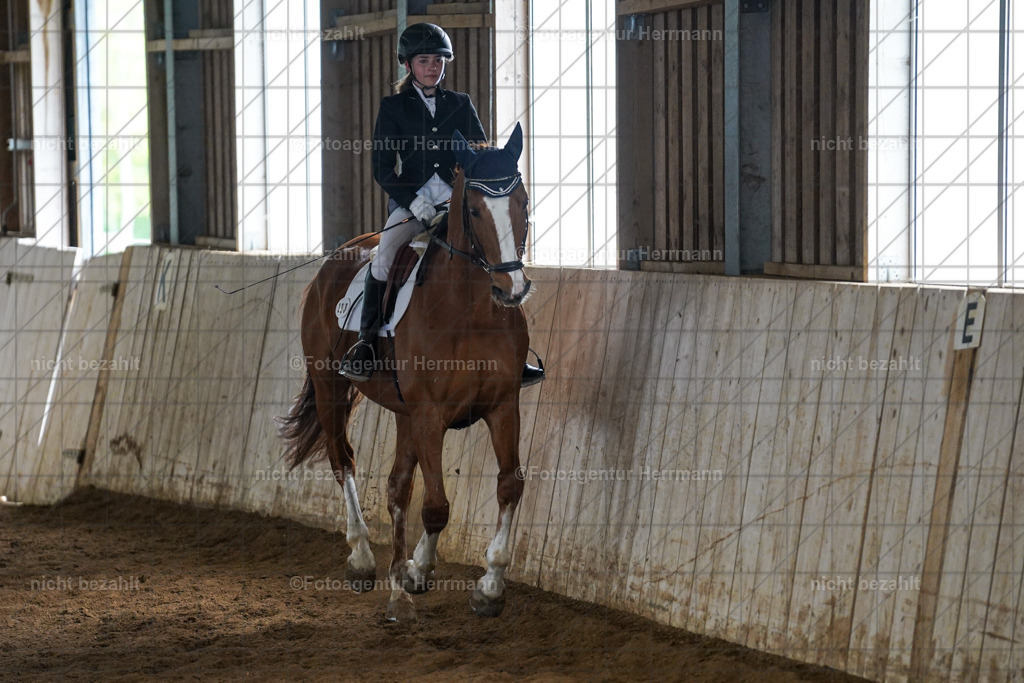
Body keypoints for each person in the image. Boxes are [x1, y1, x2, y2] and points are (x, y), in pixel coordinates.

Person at [341, 23, 545, 388]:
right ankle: (366, 344)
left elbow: (479, 155)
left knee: (492, 255)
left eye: (438, 61)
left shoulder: (460, 103)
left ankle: (512, 352)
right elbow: (382, 169)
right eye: (424, 61)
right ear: (408, 65)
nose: (432, 67)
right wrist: (413, 202)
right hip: (413, 205)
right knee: (383, 257)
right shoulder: (393, 108)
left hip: (458, 205)